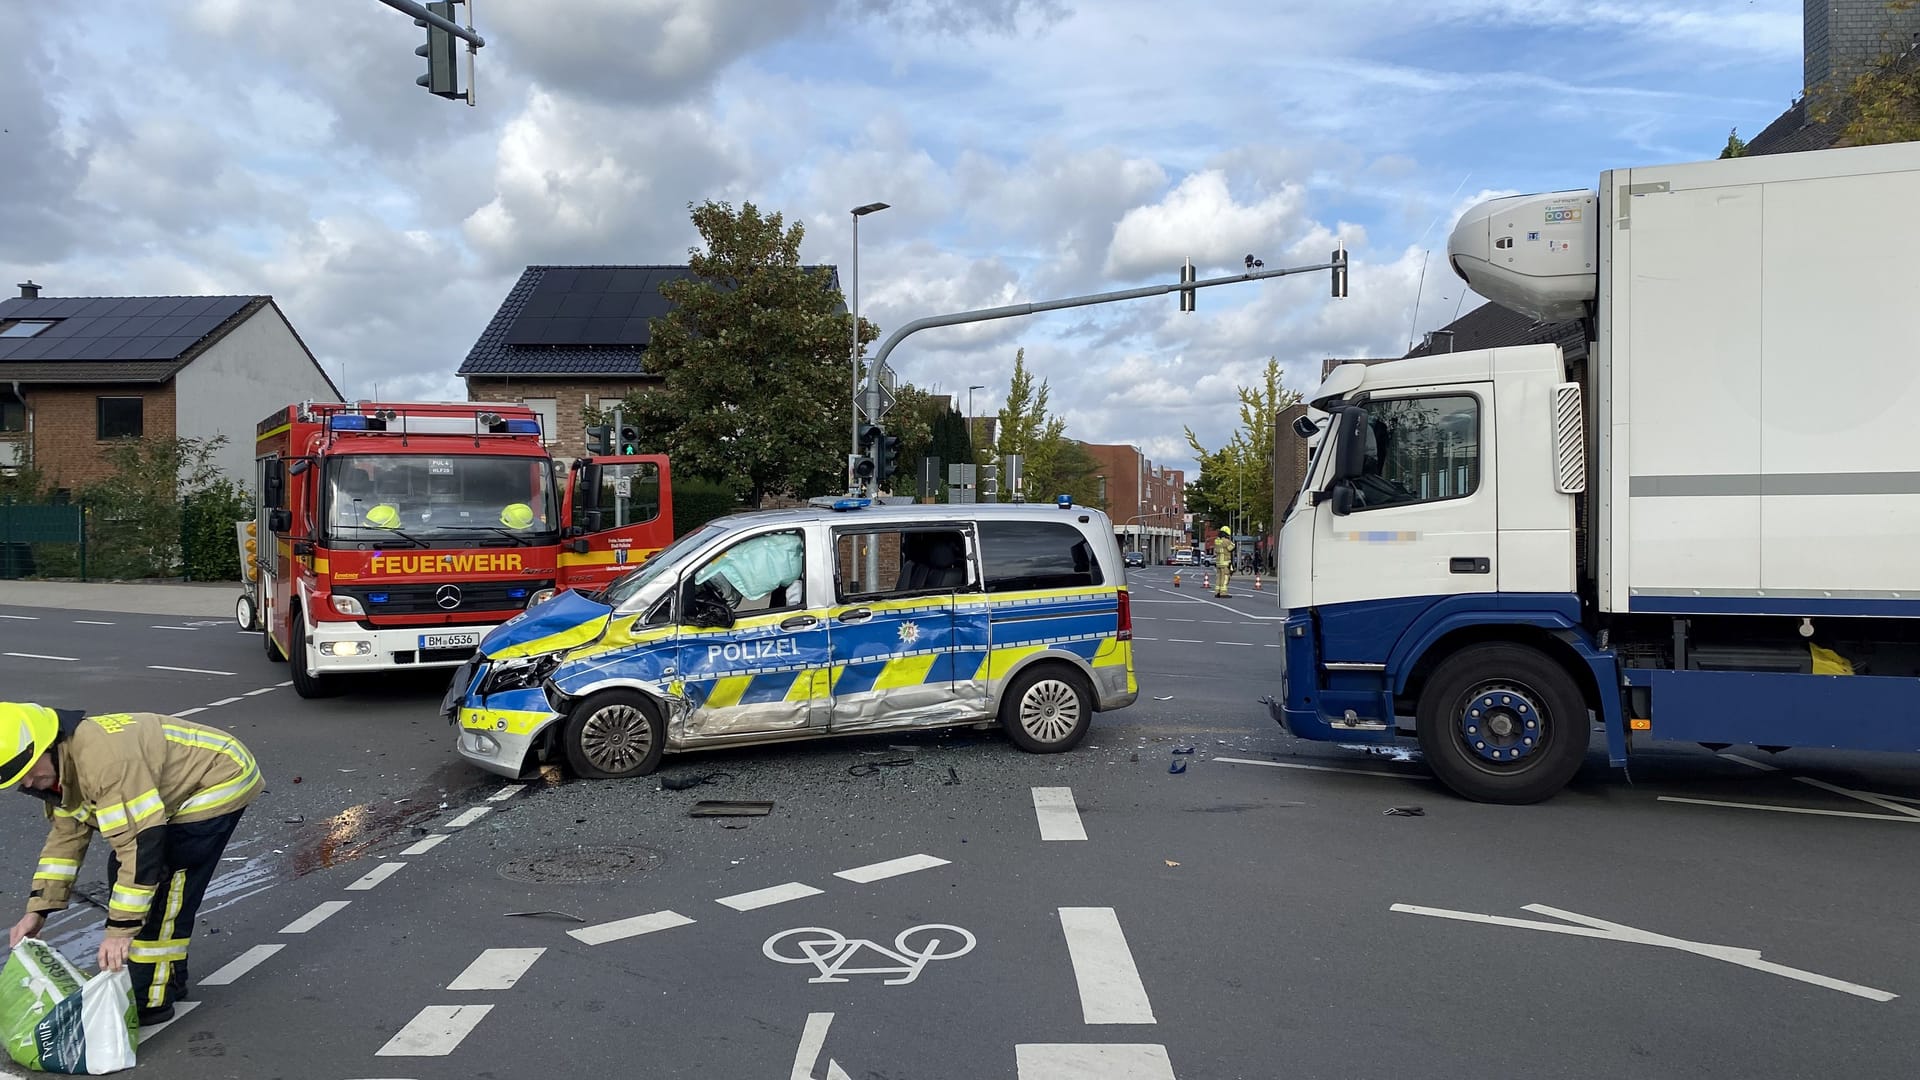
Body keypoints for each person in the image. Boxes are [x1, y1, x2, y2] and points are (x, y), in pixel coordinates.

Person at [3, 703, 262, 1026]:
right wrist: (37, 911)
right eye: (13, 778)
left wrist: (119, 932)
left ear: (46, 746)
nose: (25, 783)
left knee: (167, 882)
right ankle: (168, 979)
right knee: (141, 882)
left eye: (25, 770)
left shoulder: (105, 764)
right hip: (185, 779)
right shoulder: (64, 767)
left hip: (219, 778)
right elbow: (64, 842)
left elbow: (141, 848)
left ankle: (151, 999)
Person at [1213, 527, 1235, 597]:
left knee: (1219, 577)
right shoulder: (1226, 541)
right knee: (1225, 577)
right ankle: (1223, 592)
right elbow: (1231, 547)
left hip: (1218, 562)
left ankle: (1217, 592)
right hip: (1225, 562)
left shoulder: (1216, 541)